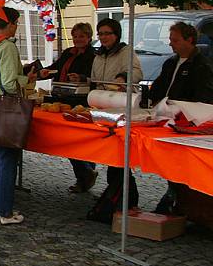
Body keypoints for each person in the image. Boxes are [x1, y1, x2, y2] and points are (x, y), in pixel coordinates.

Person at [0, 7, 37, 225]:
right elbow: (10, 84)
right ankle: (5, 211)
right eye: (17, 23)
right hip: (6, 110)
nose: (17, 27)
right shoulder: (7, 47)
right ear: (10, 23)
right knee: (7, 160)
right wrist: (27, 79)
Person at [149, 22, 213, 214]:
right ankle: (176, 199)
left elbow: (204, 98)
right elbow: (159, 88)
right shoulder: (170, 62)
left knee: (178, 164)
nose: (171, 44)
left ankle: (178, 201)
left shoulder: (202, 66)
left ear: (189, 40)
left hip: (185, 124)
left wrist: (179, 109)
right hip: (164, 119)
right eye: (170, 40)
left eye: (175, 40)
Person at [38, 22, 98, 193]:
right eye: (75, 36)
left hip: (82, 101)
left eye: (81, 36)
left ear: (88, 37)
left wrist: (81, 77)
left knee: (79, 141)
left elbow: (94, 77)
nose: (78, 39)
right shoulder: (67, 53)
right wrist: (45, 72)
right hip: (65, 98)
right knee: (70, 141)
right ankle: (85, 174)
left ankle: (85, 174)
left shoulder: (93, 56)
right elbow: (56, 68)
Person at [91, 17, 144, 210]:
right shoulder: (98, 55)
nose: (104, 37)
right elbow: (95, 80)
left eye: (107, 33)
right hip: (103, 107)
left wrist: (123, 78)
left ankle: (124, 195)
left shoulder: (125, 51)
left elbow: (137, 72)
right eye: (101, 33)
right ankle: (117, 192)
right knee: (110, 154)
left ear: (116, 35)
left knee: (119, 156)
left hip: (121, 106)